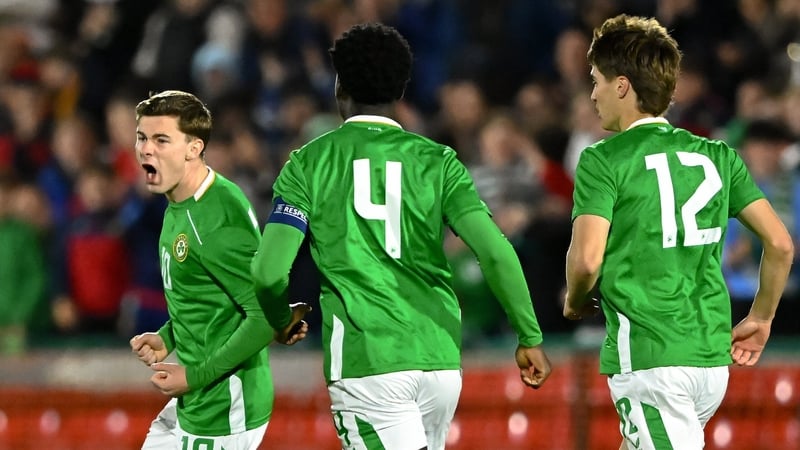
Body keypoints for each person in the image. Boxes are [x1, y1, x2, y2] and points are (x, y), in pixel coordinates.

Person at [251, 23, 551, 450]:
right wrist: (529, 335)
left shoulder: (308, 163)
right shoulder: (439, 161)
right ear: (401, 90)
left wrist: (281, 320)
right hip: (439, 361)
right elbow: (496, 251)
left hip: (370, 363)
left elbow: (267, 272)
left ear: (340, 87)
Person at [563, 14, 795, 450]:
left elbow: (587, 261)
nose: (592, 94)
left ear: (622, 86)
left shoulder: (603, 159)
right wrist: (761, 318)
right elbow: (780, 244)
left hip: (653, 361)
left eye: (596, 80)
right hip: (708, 360)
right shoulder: (717, 155)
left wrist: (575, 300)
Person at [128, 90, 307, 449]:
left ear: (193, 148)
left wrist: (193, 376)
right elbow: (208, 295)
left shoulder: (215, 220)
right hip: (196, 403)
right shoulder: (179, 201)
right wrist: (169, 336)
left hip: (224, 410)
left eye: (162, 140)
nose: (147, 150)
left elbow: (264, 317)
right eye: (142, 138)